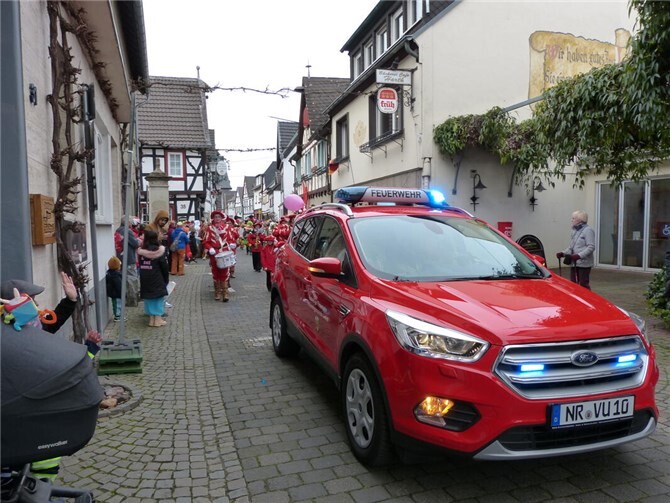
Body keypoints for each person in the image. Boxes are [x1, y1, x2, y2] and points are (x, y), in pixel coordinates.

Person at [0, 274, 101, 482]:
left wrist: (70, 300)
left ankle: (42, 486)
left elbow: (51, 324)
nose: (37, 305)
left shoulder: (32, 327)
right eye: (32, 300)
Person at [556, 210, 596, 289]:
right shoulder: (574, 231)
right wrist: (563, 253)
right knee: (573, 284)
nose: (571, 220)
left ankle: (586, 296)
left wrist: (579, 255)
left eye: (573, 218)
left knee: (583, 284)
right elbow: (572, 247)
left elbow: (591, 247)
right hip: (574, 262)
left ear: (580, 220)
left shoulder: (588, 230)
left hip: (584, 264)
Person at [138, 230, 168, 327]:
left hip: (145, 277)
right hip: (157, 276)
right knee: (158, 297)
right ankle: (158, 319)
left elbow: (140, 265)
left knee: (149, 298)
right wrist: (166, 279)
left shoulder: (141, 251)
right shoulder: (159, 250)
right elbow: (164, 266)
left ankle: (151, 319)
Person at [202, 210, 234, 302]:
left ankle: (225, 292)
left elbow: (231, 239)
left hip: (225, 251)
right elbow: (205, 241)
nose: (217, 219)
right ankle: (217, 292)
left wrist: (232, 244)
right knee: (215, 272)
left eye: (219, 217)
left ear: (221, 218)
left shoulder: (227, 227)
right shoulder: (210, 228)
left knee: (225, 271)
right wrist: (210, 248)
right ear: (213, 218)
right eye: (215, 217)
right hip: (214, 252)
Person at [105, 256, 123, 321]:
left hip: (114, 293)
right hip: (117, 294)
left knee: (117, 305)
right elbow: (119, 286)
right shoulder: (115, 276)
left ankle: (119, 315)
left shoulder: (110, 274)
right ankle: (117, 316)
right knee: (117, 305)